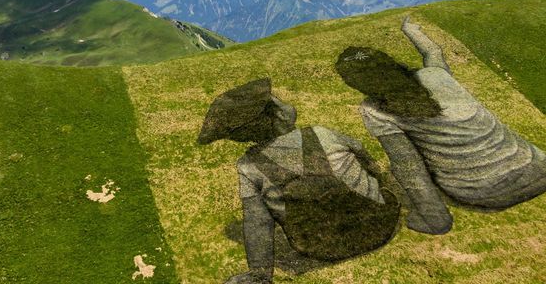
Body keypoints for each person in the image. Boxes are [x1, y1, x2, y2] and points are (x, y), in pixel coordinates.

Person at [335, 17, 546, 235]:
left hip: (484, 193)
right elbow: (433, 53)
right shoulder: (436, 75)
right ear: (393, 64)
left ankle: (435, 216)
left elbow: (409, 167)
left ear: (355, 83)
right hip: (538, 169)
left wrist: (434, 219)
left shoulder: (376, 110)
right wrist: (411, 31)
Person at [197, 78, 400, 284]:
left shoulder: (248, 166)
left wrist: (260, 272)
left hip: (320, 249)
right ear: (277, 113)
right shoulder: (323, 134)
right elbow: (367, 161)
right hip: (380, 224)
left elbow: (257, 222)